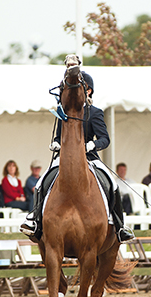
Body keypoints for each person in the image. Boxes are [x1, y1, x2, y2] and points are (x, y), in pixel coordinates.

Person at [21, 68, 133, 243]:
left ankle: (119, 227)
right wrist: (56, 143)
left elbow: (105, 139)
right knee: (42, 181)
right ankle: (35, 220)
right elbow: (58, 135)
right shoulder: (63, 112)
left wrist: (92, 145)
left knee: (112, 184)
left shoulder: (95, 112)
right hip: (65, 158)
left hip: (90, 158)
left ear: (87, 91)